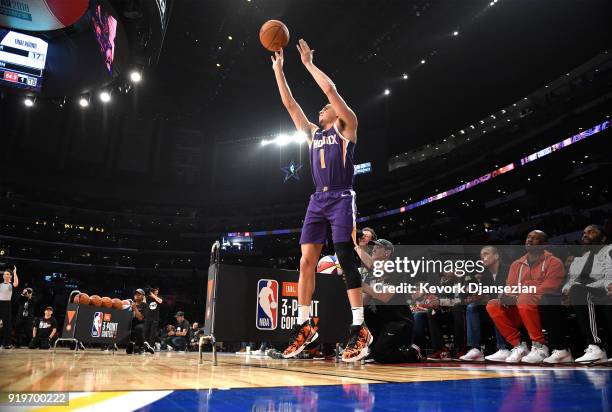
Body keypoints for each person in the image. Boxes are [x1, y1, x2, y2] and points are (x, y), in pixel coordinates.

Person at [271, 40, 369, 362]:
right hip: (317, 200)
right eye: (321, 110)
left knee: (344, 254)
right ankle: (304, 327)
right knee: (305, 262)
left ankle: (359, 327)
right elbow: (289, 105)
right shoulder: (313, 133)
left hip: (342, 196)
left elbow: (329, 91)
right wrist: (279, 71)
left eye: (326, 108)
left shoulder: (346, 127)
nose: (321, 109)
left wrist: (308, 63)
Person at [486, 230, 564, 363]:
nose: (529, 240)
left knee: (525, 297)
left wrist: (523, 292)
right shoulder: (517, 264)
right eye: (528, 237)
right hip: (521, 305)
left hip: (542, 306)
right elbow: (511, 287)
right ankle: (519, 345)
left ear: (544, 244)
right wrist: (506, 296)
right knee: (493, 304)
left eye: (535, 238)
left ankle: (540, 347)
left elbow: (550, 286)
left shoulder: (554, 262)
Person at [541, 225, 612, 363]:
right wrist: (566, 292)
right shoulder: (579, 259)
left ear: (603, 237)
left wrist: (607, 285)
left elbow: (609, 275)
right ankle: (561, 350)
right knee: (547, 298)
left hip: (602, 290)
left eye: (591, 232)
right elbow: (570, 280)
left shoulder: (609, 250)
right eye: (584, 233)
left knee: (578, 289)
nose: (585, 235)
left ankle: (596, 346)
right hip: (582, 292)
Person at [357, 239, 422, 363]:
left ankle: (413, 351)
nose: (373, 249)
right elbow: (364, 302)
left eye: (378, 247)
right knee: (362, 313)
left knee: (381, 355)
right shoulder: (372, 274)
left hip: (399, 322)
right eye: (373, 247)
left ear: (387, 252)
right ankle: (372, 347)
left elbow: (386, 297)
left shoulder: (396, 270)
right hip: (383, 321)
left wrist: (363, 286)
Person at [461, 246, 511, 362]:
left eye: (486, 254)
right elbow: (486, 295)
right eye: (481, 255)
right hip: (491, 305)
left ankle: (503, 348)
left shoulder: (508, 270)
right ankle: (475, 349)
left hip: (508, 305)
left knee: (495, 305)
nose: (482, 257)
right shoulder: (485, 275)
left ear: (496, 256)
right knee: (471, 307)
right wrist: (478, 297)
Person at [127, 289, 154, 354]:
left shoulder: (145, 305)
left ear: (143, 296)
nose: (136, 295)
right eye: (135, 294)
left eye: (139, 294)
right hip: (132, 324)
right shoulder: (130, 304)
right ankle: (137, 344)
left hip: (142, 324)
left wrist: (135, 308)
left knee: (138, 328)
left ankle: (142, 346)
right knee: (129, 352)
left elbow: (140, 318)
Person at [0, 266, 18, 348]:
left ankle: (6, 343)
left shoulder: (11, 285)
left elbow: (16, 283)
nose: (6, 275)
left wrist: (14, 273)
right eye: (5, 274)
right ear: (3, 276)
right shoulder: (0, 284)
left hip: (7, 304)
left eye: (8, 274)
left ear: (10, 276)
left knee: (7, 325)